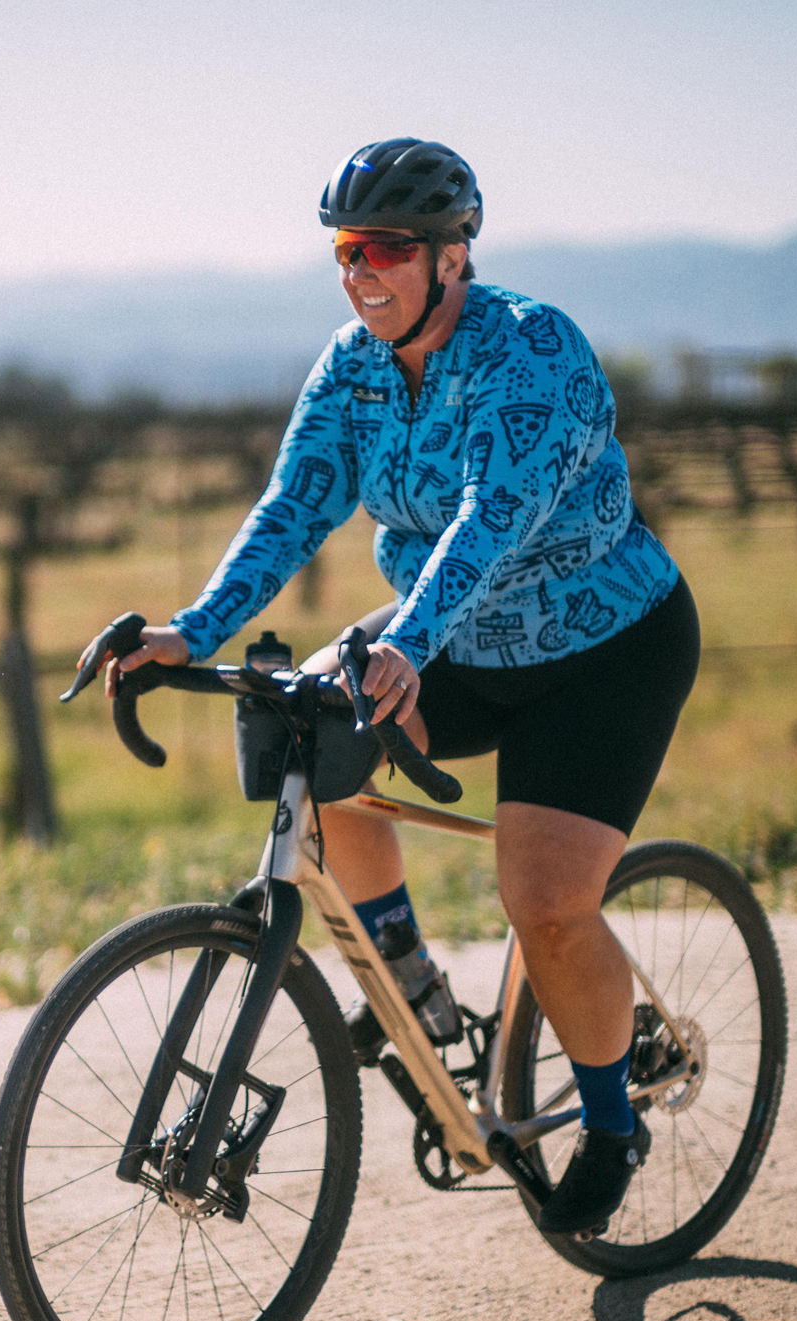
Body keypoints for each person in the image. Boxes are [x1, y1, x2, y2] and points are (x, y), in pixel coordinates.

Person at [92, 138, 700, 1236]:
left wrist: (407, 644)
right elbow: (294, 505)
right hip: (446, 634)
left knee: (546, 902)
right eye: (343, 250)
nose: (358, 271)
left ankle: (613, 1123)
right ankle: (414, 988)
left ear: (453, 256)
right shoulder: (353, 365)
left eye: (382, 249)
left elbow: (488, 525)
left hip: (601, 651)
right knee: (303, 740)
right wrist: (192, 629)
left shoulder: (533, 354)